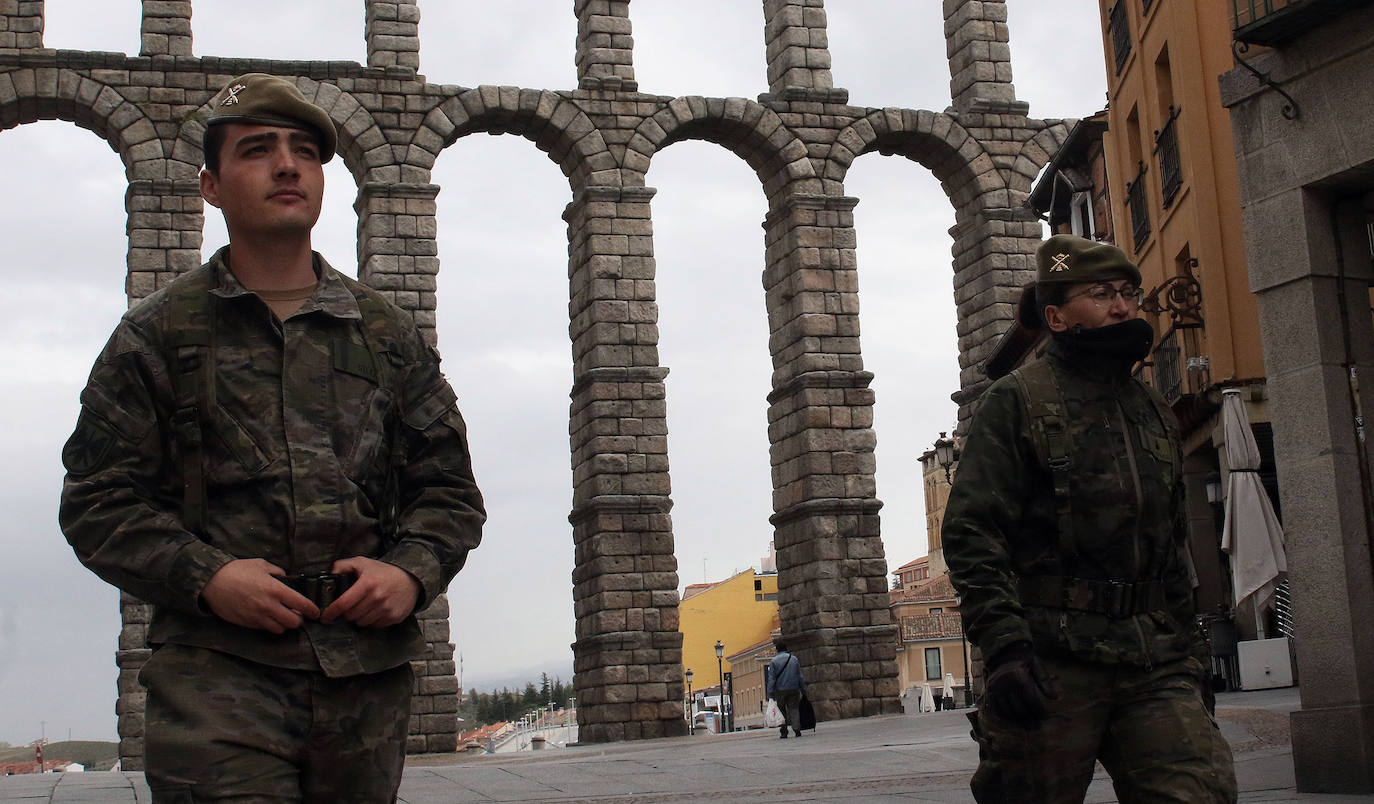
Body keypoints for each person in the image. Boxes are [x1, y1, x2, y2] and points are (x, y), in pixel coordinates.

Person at [59, 73, 486, 802]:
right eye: (258, 150)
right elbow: (98, 504)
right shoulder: (156, 337)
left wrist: (409, 573)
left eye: (306, 153)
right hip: (216, 678)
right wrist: (208, 577)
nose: (288, 166)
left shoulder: (385, 334)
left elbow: (447, 493)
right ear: (211, 186)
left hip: (364, 683)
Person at [942, 234, 1236, 803]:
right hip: (1051, 659)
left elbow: (1173, 543)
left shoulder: (1150, 407)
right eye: (1100, 294)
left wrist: (1193, 656)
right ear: (1055, 316)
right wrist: (1004, 648)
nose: (1122, 306)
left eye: (1128, 292)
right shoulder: (1017, 400)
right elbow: (973, 531)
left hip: (1153, 655)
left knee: (1198, 791)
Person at [765, 638, 807, 739]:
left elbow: (772, 678)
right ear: (786, 648)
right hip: (793, 688)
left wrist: (770, 692)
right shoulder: (793, 659)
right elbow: (799, 676)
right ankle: (797, 728)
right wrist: (803, 688)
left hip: (780, 690)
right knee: (794, 708)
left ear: (777, 649)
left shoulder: (774, 661)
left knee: (781, 711)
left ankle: (784, 731)